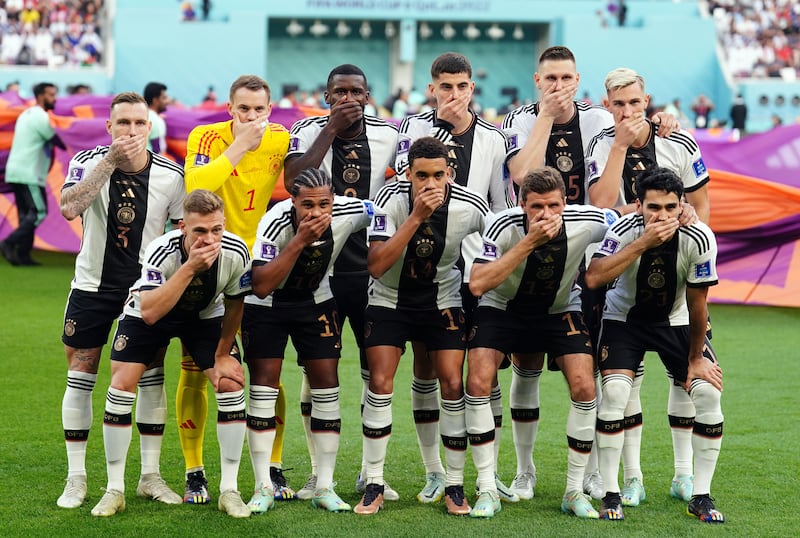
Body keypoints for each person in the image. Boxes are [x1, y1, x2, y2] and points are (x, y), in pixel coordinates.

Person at [502, 46, 677, 501]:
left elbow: (631, 143)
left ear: (578, 81)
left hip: (594, 253)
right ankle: (524, 471)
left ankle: (604, 473)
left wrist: (662, 121)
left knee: (604, 370)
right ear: (537, 81)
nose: (559, 87)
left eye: (566, 78)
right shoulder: (519, 119)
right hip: (536, 249)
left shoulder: (599, 121)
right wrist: (544, 118)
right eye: (550, 79)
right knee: (526, 363)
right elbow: (522, 176)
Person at [394, 51, 515, 505]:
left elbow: (502, 204)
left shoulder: (494, 138)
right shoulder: (412, 129)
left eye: (462, 86)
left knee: (485, 368)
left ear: (472, 88)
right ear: (432, 89)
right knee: (429, 367)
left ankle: (490, 469)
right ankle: (434, 471)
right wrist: (439, 129)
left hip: (476, 268)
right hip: (425, 265)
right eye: (446, 86)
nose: (455, 95)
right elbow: (398, 187)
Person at [585, 67, 710, 507]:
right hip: (620, 270)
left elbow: (699, 198)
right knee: (624, 383)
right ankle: (632, 477)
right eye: (618, 104)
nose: (627, 111)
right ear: (607, 106)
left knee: (685, 380)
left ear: (647, 101)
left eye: (634, 102)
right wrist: (620, 147)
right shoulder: (602, 144)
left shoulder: (680, 141)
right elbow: (600, 206)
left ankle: (683, 476)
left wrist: (694, 226)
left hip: (675, 273)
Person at [56, 91, 186, 509]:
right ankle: (76, 478)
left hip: (142, 291)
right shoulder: (89, 162)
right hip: (91, 285)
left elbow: (183, 232)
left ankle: (150, 475)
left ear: (150, 127)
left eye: (139, 123)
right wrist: (110, 160)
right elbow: (69, 208)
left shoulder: (171, 175)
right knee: (82, 370)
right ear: (109, 127)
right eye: (123, 123)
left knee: (150, 373)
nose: (131, 131)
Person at [90, 189, 252, 518]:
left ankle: (229, 491)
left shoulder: (236, 251)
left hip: (204, 317)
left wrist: (222, 353)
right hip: (151, 313)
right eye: (200, 231)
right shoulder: (160, 249)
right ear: (182, 228)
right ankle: (115, 489)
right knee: (121, 386)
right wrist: (191, 267)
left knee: (232, 384)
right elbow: (149, 311)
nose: (210, 238)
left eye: (216, 229)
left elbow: (236, 304)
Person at [468, 166, 616, 519]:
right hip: (501, 308)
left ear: (566, 202)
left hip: (559, 309)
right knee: (476, 382)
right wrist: (529, 242)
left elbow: (625, 219)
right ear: (522, 204)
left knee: (584, 386)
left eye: (553, 206)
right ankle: (489, 486)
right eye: (536, 207)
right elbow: (477, 284)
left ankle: (573, 490)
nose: (546, 214)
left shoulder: (588, 220)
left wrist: (682, 211)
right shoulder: (502, 225)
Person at [354, 137, 489, 516]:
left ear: (451, 173)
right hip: (388, 299)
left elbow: (502, 240)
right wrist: (415, 216)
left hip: (441, 301)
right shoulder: (389, 200)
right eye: (421, 176)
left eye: (438, 175)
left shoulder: (471, 204)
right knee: (380, 383)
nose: (430, 184)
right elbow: (377, 265)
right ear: (407, 174)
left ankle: (454, 484)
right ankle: (375, 483)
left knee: (452, 383)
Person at [283, 64, 399, 501]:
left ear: (368, 96)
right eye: (339, 92)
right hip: (320, 272)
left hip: (370, 272)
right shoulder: (307, 129)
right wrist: (330, 130)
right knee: (318, 373)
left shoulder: (389, 134)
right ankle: (317, 472)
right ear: (327, 96)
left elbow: (405, 185)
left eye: (356, 92)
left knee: (375, 373)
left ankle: (374, 473)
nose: (348, 98)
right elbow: (294, 181)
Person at [585, 168, 724, 523]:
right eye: (653, 207)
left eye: (669, 207)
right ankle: (613, 492)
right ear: (639, 206)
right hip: (624, 320)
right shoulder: (623, 230)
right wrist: (643, 243)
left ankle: (700, 495)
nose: (661, 216)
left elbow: (697, 304)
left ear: (681, 207)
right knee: (615, 393)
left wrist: (695, 358)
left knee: (707, 393)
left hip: (676, 320)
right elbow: (595, 276)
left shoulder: (699, 237)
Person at [181, 75, 291, 504]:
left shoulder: (281, 138)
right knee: (196, 367)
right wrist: (240, 144)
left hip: (258, 267)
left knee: (267, 371)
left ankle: (273, 465)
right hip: (209, 261)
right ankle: (195, 471)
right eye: (243, 109)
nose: (251, 117)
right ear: (230, 109)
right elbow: (198, 187)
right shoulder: (205, 136)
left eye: (259, 109)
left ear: (270, 109)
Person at [242, 168, 374, 514]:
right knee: (263, 388)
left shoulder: (350, 211)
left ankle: (324, 485)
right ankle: (263, 487)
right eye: (307, 205)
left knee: (327, 386)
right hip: (267, 306)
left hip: (315, 300)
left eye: (324, 204)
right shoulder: (274, 222)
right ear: (293, 202)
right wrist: (299, 240)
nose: (317, 213)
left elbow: (385, 211)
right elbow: (261, 284)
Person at [1, 82, 58, 266]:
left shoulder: (26, 114)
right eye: (51, 94)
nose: (54, 98)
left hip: (17, 171)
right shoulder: (40, 117)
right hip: (29, 173)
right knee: (38, 212)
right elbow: (58, 139)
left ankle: (23, 255)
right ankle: (9, 243)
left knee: (25, 214)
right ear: (40, 96)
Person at [144, 82, 169, 154]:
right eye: (164, 98)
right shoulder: (156, 121)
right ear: (155, 100)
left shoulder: (142, 115)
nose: (167, 101)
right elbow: (157, 150)